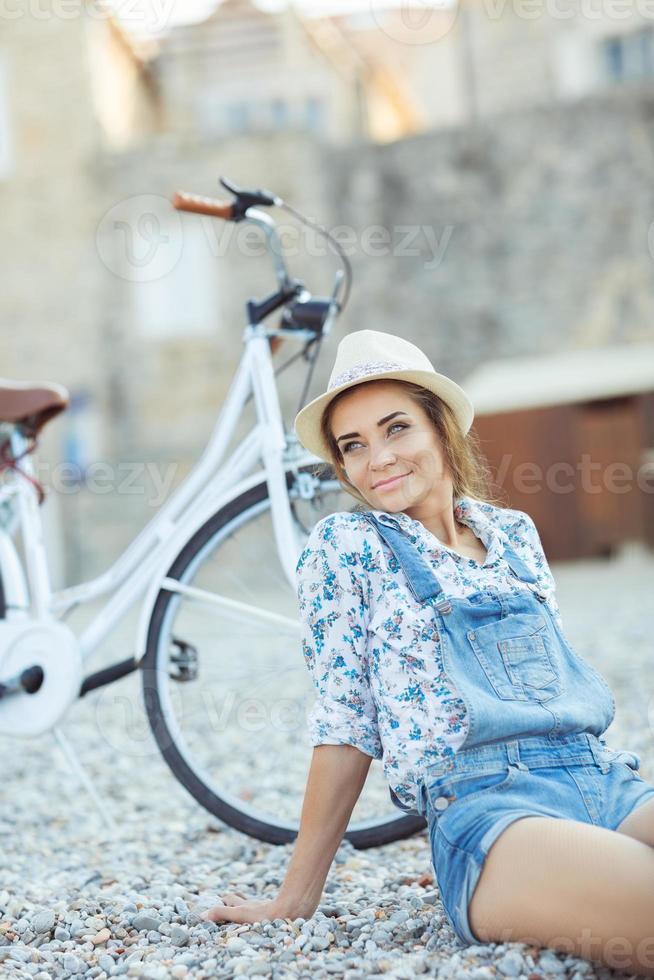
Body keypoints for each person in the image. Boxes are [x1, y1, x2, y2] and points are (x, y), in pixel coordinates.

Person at [201, 330, 654, 975]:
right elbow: (346, 719)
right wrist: (295, 897)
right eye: (352, 445)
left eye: (396, 429)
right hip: (489, 807)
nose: (376, 458)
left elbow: (544, 691)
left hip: (602, 778)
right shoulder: (347, 545)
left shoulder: (514, 535)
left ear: (443, 428)